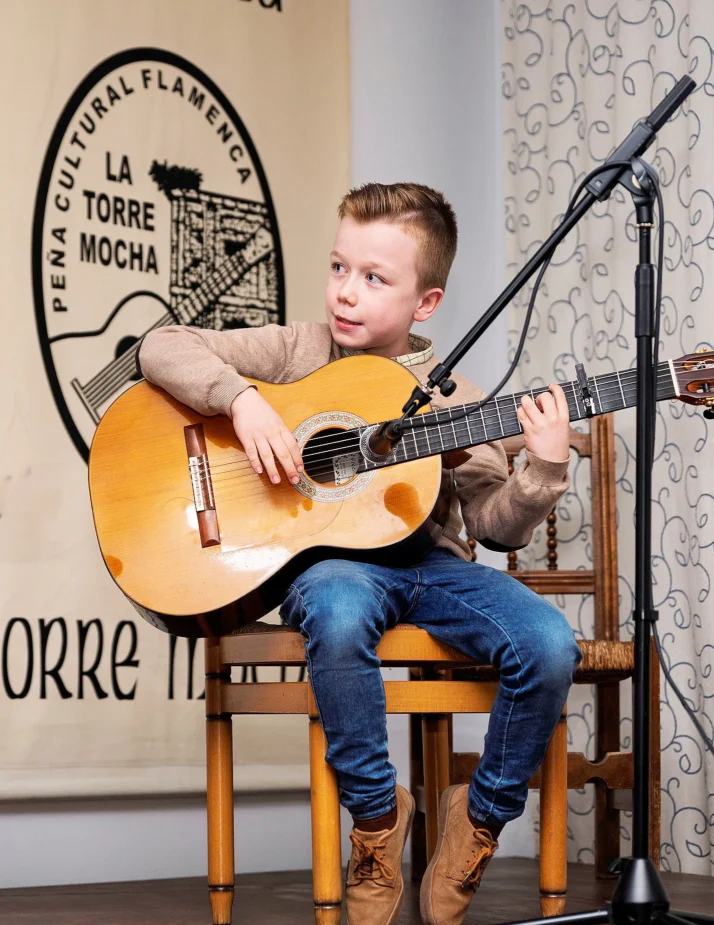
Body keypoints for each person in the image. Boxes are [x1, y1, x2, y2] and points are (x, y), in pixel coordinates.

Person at [138, 181, 581, 925]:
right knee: (338, 613)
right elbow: (158, 345)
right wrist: (241, 400)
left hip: (433, 566)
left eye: (374, 279)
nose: (346, 293)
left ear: (425, 303)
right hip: (334, 565)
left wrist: (544, 468)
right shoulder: (297, 350)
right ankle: (377, 821)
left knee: (549, 642)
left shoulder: (456, 401)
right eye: (340, 267)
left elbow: (496, 526)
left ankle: (477, 819)